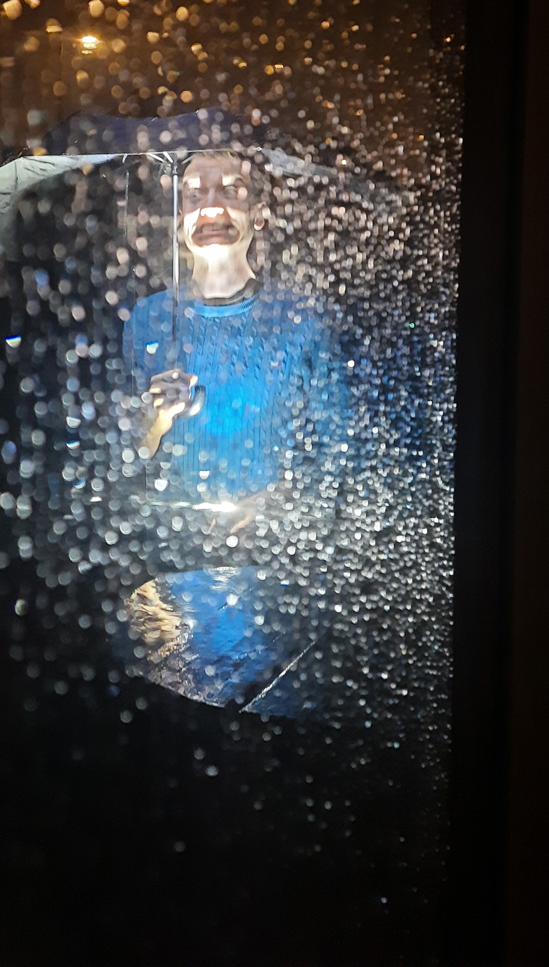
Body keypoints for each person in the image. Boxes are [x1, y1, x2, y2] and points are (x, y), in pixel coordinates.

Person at [117, 150, 353, 712]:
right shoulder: (148, 321)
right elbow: (123, 455)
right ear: (177, 221)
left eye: (232, 189)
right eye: (193, 194)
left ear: (262, 214)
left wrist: (282, 503)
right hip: (169, 579)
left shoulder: (302, 319)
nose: (212, 205)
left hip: (277, 583)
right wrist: (158, 416)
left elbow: (340, 450)